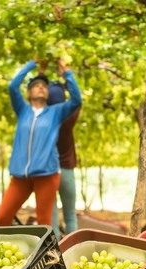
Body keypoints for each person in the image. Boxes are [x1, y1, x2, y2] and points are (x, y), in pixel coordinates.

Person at [0, 57, 82, 227]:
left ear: (48, 94)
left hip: (47, 175)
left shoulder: (55, 112)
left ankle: (48, 246)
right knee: (2, 217)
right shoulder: (23, 110)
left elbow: (76, 100)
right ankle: (15, 242)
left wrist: (67, 73)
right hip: (20, 176)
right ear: (28, 94)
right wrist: (31, 64)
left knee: (45, 223)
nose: (41, 87)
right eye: (36, 85)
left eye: (44, 86)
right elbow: (12, 86)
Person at [47, 80, 81, 239]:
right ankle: (72, 248)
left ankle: (55, 251)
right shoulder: (68, 118)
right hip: (67, 171)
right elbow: (77, 101)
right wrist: (68, 83)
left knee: (52, 217)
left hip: (49, 173)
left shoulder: (44, 120)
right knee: (70, 216)